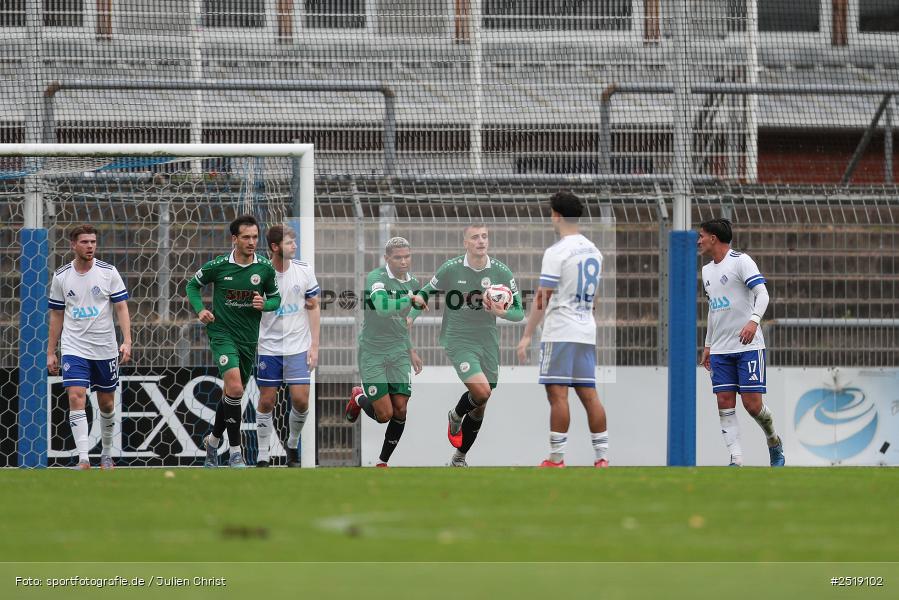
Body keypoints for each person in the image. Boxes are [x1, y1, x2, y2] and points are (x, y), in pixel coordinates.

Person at [410, 224, 523, 467]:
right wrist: (410, 317)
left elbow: (519, 312)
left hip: (487, 341)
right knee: (481, 392)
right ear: (466, 243)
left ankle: (459, 457)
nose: (481, 241)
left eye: (484, 236)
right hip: (458, 338)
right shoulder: (451, 268)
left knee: (481, 403)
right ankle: (456, 415)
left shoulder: (501, 272)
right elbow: (426, 292)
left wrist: (500, 312)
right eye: (475, 237)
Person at [516, 191, 609, 468]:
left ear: (556, 215)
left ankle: (556, 458)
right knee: (589, 394)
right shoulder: (593, 250)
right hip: (585, 331)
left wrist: (527, 334)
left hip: (560, 330)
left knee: (558, 395)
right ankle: (602, 457)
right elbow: (595, 297)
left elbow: (543, 296)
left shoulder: (557, 252)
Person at [186, 215, 281, 468]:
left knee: (231, 394)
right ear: (234, 239)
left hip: (249, 339)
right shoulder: (218, 266)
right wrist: (200, 310)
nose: (252, 242)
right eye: (246, 237)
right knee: (237, 390)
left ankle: (213, 442)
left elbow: (275, 298)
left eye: (255, 237)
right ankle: (236, 453)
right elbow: (192, 286)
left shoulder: (264, 268)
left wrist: (266, 303)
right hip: (222, 334)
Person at [697, 218, 784, 467]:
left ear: (713, 238)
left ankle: (774, 441)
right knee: (724, 402)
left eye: (701, 235)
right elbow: (714, 310)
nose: (699, 240)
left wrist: (753, 321)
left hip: (748, 346)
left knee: (752, 405)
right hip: (721, 349)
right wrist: (708, 345)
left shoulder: (741, 261)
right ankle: (736, 458)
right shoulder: (706, 271)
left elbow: (763, 294)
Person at [47, 224, 132, 470]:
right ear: (73, 245)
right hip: (74, 347)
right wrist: (51, 351)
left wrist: (126, 341)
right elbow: (57, 314)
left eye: (93, 242)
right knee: (76, 396)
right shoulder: (62, 276)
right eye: (84, 242)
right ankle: (84, 458)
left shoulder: (108, 272)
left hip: (104, 347)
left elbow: (121, 307)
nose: (90, 246)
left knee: (106, 403)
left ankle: (106, 453)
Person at [344, 237, 425, 467]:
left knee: (401, 408)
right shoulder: (376, 279)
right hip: (373, 351)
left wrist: (411, 348)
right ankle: (359, 397)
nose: (403, 261)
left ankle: (382, 462)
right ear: (387, 258)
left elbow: (409, 316)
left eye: (407, 256)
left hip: (398, 350)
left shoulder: (414, 282)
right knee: (384, 415)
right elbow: (381, 308)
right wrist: (408, 299)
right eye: (398, 257)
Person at [255, 224, 320, 467]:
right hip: (269, 348)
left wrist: (314, 346)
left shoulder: (304, 271)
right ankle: (262, 454)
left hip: (297, 347)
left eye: (294, 241)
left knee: (301, 400)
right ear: (274, 247)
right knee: (267, 401)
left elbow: (314, 308)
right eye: (289, 242)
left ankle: (292, 444)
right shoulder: (259, 274)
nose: (294, 246)